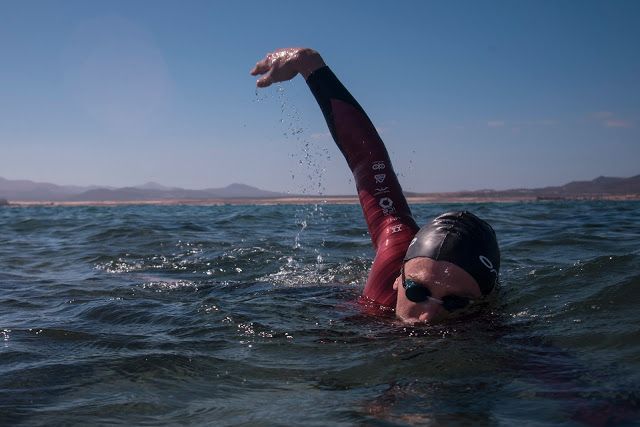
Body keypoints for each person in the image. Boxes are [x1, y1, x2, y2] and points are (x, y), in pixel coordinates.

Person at [251, 48, 500, 324]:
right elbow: (367, 161)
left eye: (455, 302)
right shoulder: (395, 252)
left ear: (483, 302)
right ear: (398, 279)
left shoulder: (493, 332)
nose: (427, 317)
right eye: (416, 291)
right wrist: (309, 64)